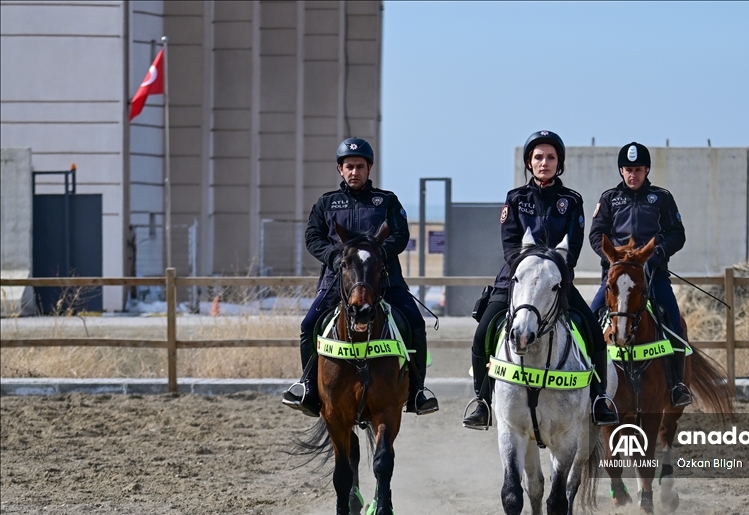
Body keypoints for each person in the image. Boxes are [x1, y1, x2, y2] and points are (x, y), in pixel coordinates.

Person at [463, 130, 619, 429]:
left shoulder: (571, 201)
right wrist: (528, 268)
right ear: (529, 163)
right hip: (515, 281)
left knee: (590, 330)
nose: (544, 162)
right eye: (538, 157)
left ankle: (599, 398)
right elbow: (510, 244)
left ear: (559, 163)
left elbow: (573, 247)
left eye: (550, 157)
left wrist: (551, 272)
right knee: (483, 331)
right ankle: (482, 401)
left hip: (555, 283)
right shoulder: (515, 198)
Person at [282, 137, 438, 417]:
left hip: (384, 281)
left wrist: (376, 254)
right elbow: (312, 237)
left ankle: (417, 391)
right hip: (337, 283)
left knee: (415, 323)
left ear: (370, 169)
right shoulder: (326, 204)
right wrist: (335, 257)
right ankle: (308, 387)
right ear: (340, 169)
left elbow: (400, 235)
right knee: (308, 326)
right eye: (349, 166)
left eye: (360, 166)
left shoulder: (387, 202)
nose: (355, 171)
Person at [588, 141, 691, 407]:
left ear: (647, 170)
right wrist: (615, 260)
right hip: (617, 277)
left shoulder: (662, 198)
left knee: (675, 324)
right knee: (588, 321)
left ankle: (677, 385)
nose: (633, 175)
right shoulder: (609, 198)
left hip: (653, 276)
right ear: (621, 171)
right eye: (628, 169)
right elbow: (596, 235)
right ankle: (589, 384)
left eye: (638, 169)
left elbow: (677, 234)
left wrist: (656, 255)